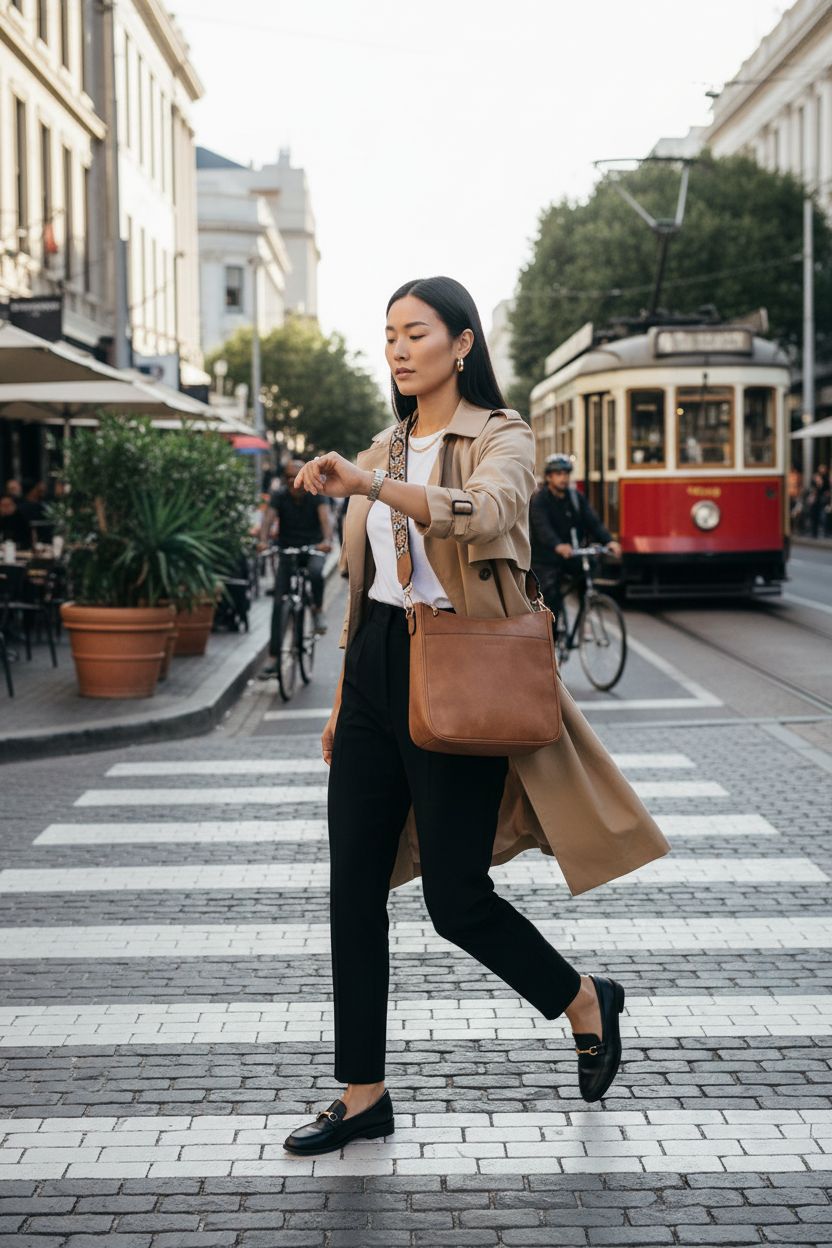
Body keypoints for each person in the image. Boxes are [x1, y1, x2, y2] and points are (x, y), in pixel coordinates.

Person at [281, 275, 670, 1157]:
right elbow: (365, 593)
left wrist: (374, 488)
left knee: (456, 900)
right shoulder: (382, 446)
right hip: (376, 670)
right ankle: (363, 1092)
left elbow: (487, 513)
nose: (398, 348)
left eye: (416, 332)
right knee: (352, 890)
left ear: (462, 344)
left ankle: (583, 999)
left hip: (461, 670)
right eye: (388, 334)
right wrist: (343, 701)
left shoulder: (502, 435)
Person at [258, 457, 333, 679]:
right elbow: (267, 520)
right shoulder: (279, 495)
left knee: (316, 573)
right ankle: (274, 658)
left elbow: (326, 520)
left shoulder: (316, 493)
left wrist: (327, 541)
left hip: (313, 548)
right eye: (288, 477)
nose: (292, 481)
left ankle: (317, 610)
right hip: (287, 550)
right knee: (278, 602)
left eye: (296, 476)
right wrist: (263, 541)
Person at [529, 454, 621, 631]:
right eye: (558, 474)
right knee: (551, 597)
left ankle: (586, 611)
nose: (563, 478)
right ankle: (553, 635)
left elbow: (593, 522)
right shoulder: (540, 500)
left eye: (566, 473)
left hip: (572, 554)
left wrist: (609, 541)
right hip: (546, 559)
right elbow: (542, 528)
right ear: (549, 477)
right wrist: (557, 545)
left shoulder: (576, 498)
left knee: (589, 568)